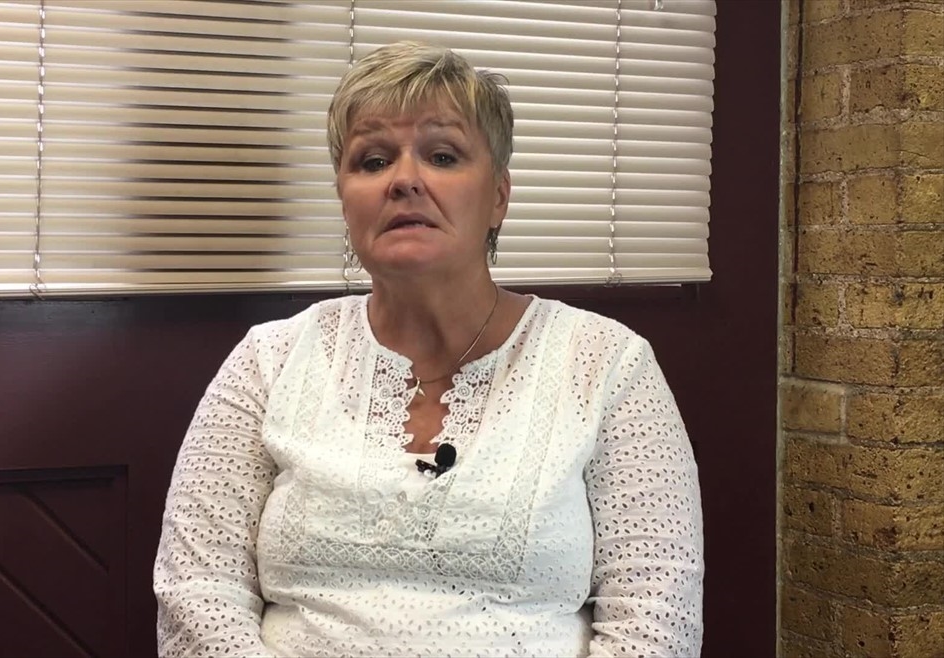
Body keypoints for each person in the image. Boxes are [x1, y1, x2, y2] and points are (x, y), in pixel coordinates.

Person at [154, 41, 703, 658]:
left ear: (498, 196)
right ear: (344, 198)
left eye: (442, 156)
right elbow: (197, 594)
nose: (404, 180)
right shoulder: (269, 360)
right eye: (373, 161)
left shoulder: (607, 364)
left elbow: (656, 623)